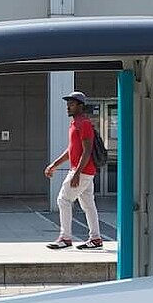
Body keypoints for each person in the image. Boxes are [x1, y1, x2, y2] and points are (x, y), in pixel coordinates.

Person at [44, 90, 104, 250]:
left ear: (80, 106)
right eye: (68, 104)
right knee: (88, 205)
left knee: (63, 200)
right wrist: (54, 164)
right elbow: (71, 150)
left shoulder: (84, 123)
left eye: (71, 104)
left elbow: (87, 150)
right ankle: (96, 238)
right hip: (84, 171)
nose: (68, 107)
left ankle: (65, 238)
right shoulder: (74, 123)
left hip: (82, 171)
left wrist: (77, 173)